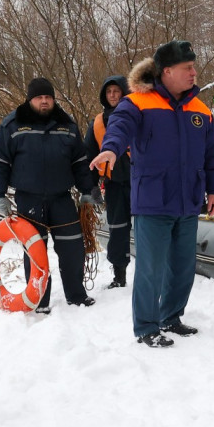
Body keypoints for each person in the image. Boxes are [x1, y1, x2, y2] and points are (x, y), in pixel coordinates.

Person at [90, 40, 214, 347]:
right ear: (167, 72)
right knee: (150, 268)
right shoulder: (138, 102)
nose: (194, 73)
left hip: (188, 200)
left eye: (193, 67)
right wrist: (110, 149)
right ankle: (147, 327)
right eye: (187, 68)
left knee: (182, 265)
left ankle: (172, 316)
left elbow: (212, 155)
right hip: (153, 200)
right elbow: (119, 127)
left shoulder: (200, 111)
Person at [0, 78, 96, 311]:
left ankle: (76, 295)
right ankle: (39, 300)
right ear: (30, 100)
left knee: (73, 248)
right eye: (39, 97)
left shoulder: (66, 125)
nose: (45, 101)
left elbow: (79, 161)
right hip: (29, 198)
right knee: (35, 251)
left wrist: (86, 190)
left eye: (48, 97)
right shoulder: (13, 125)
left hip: (62, 197)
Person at [84, 75, 132, 288]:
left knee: (150, 228)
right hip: (114, 184)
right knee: (117, 229)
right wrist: (92, 186)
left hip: (141, 182)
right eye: (109, 92)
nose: (112, 95)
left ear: (124, 92)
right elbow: (90, 156)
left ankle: (156, 275)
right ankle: (119, 276)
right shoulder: (97, 123)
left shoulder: (138, 115)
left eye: (116, 91)